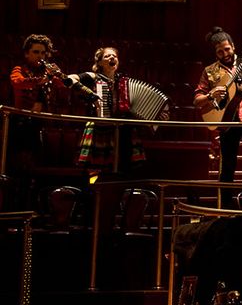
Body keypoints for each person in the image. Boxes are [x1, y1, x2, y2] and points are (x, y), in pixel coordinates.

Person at [194, 28, 242, 209]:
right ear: (215, 53)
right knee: (227, 165)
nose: (225, 54)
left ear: (233, 46)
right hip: (227, 120)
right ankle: (226, 207)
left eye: (227, 49)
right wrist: (210, 95)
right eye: (220, 51)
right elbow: (197, 100)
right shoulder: (210, 71)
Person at [69, 47, 163, 175]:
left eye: (114, 56)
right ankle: (96, 186)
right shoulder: (93, 77)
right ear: (100, 62)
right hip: (100, 128)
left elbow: (135, 104)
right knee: (97, 170)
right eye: (107, 56)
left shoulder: (124, 81)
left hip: (122, 130)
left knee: (123, 168)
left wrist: (156, 115)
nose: (112, 57)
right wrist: (89, 93)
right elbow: (70, 78)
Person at [8, 34, 64, 208]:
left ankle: (34, 205)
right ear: (27, 54)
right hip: (21, 124)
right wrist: (41, 80)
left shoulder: (48, 71)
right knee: (20, 167)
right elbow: (17, 82)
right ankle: (16, 206)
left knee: (38, 167)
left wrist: (58, 75)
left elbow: (63, 87)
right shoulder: (19, 69)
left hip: (41, 124)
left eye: (43, 53)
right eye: (36, 52)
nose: (40, 56)